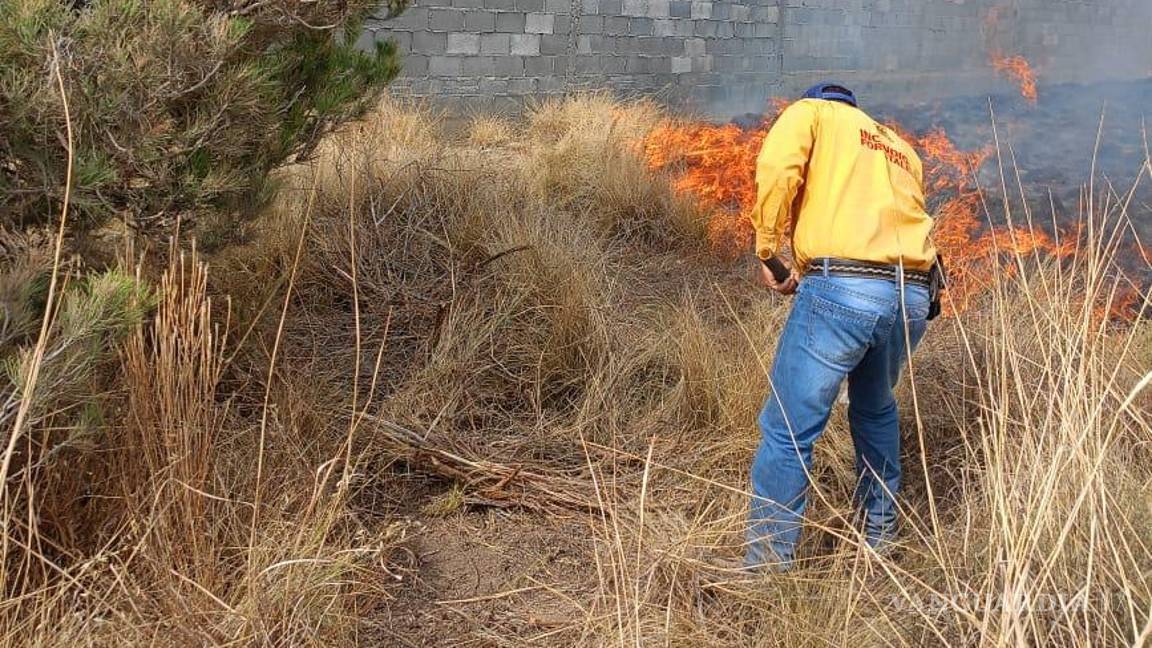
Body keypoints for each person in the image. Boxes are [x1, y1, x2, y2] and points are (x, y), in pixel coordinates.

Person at [744, 82, 942, 570]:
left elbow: (778, 169)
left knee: (788, 429)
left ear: (820, 99)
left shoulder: (812, 112)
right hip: (912, 296)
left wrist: (768, 250)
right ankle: (879, 540)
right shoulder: (898, 146)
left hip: (845, 289)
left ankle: (767, 569)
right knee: (875, 409)